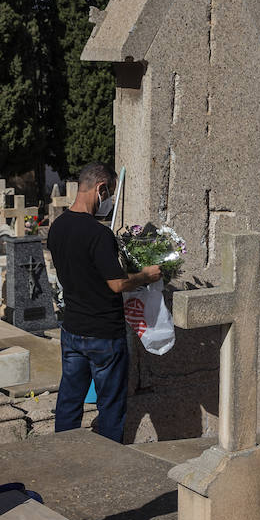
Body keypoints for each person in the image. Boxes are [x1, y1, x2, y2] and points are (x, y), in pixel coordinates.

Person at [46, 162, 160, 443]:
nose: (108, 200)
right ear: (100, 189)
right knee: (110, 406)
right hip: (104, 335)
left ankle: (63, 452)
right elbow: (116, 284)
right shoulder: (98, 234)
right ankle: (109, 459)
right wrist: (146, 275)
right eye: (109, 192)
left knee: (69, 401)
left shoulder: (57, 226)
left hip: (72, 329)